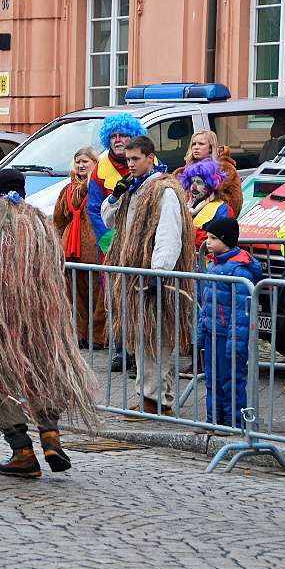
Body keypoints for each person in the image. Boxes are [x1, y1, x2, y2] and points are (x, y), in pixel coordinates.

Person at [0, 169, 97, 478]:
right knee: (44, 371)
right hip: (39, 315)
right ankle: (50, 434)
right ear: (23, 191)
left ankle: (22, 451)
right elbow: (57, 266)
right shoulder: (38, 221)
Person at [102, 136, 196, 419]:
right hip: (135, 277)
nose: (130, 165)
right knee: (143, 339)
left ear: (150, 157)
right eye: (128, 160)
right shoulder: (132, 188)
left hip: (154, 277)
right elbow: (110, 222)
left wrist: (159, 273)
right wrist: (114, 197)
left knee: (157, 339)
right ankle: (153, 397)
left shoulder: (164, 190)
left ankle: (155, 399)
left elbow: (168, 233)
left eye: (136, 159)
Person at [88, 113, 147, 372]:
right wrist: (110, 241)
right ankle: (122, 349)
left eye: (122, 135)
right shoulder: (99, 170)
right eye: (113, 136)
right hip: (111, 245)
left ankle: (141, 352)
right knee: (115, 296)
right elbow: (94, 209)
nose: (118, 140)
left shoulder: (150, 164)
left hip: (142, 243)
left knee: (141, 295)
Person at [197, 217, 261, 430]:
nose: (208, 242)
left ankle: (234, 423)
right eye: (207, 237)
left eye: (213, 238)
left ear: (226, 241)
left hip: (228, 335)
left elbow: (241, 312)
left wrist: (236, 342)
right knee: (212, 380)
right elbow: (205, 304)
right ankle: (213, 420)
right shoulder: (214, 266)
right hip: (212, 332)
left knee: (230, 380)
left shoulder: (239, 270)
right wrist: (201, 330)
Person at [53, 146, 106, 349]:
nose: (81, 165)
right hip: (72, 251)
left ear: (95, 164)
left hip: (95, 249)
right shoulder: (67, 189)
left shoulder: (99, 187)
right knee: (76, 298)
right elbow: (59, 220)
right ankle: (81, 335)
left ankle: (98, 337)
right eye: (78, 161)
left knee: (99, 296)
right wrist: (57, 245)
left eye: (86, 161)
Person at [174, 130, 242, 217]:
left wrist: (208, 206)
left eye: (201, 144)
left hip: (213, 222)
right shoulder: (185, 170)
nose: (196, 147)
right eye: (194, 144)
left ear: (210, 147)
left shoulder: (225, 169)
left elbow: (235, 204)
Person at [177, 158, 233, 250]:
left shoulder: (221, 209)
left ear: (209, 185)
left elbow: (221, 242)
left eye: (199, 182)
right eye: (192, 182)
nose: (193, 186)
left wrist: (189, 231)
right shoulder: (188, 205)